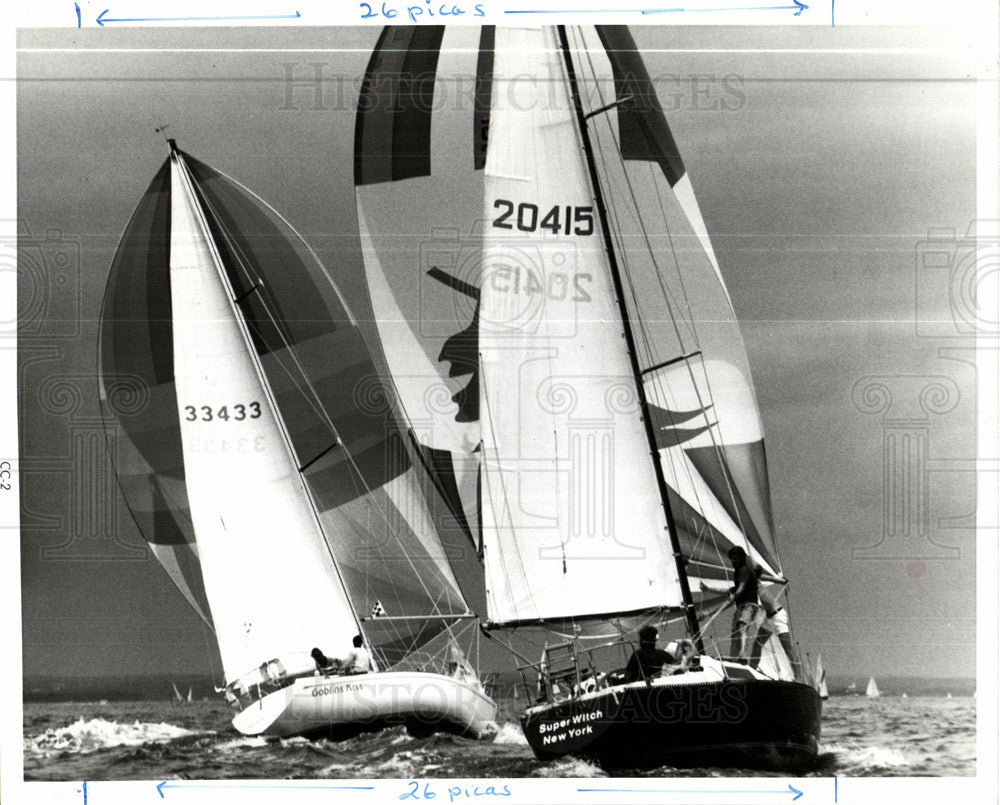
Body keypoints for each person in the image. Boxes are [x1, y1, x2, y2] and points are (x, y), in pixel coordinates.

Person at [749, 585, 803, 681]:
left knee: (788, 648)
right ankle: (752, 670)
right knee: (757, 644)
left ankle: (798, 677)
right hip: (769, 618)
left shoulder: (755, 585)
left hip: (777, 616)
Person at [728, 546, 759, 661]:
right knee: (735, 632)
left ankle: (742, 654)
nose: (734, 561)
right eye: (732, 559)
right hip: (741, 606)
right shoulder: (737, 573)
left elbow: (742, 586)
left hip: (749, 604)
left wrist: (734, 596)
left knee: (742, 626)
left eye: (736, 559)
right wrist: (708, 588)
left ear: (742, 558)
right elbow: (731, 589)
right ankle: (734, 658)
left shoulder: (744, 570)